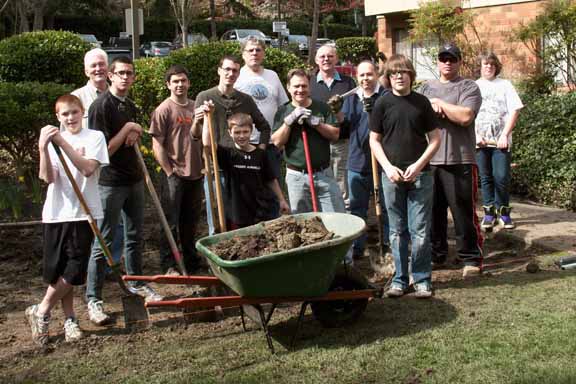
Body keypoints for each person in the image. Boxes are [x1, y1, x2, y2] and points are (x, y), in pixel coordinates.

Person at [85, 56, 163, 326]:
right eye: (120, 73)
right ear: (110, 76)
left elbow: (131, 138)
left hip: (134, 179)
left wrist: (135, 128)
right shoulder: (100, 107)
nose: (125, 77)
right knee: (103, 241)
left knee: (134, 235)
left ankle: (137, 282)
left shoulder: (129, 105)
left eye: (129, 73)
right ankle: (94, 299)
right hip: (110, 183)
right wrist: (129, 129)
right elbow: (103, 151)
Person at [26, 94, 109, 345]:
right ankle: (70, 319)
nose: (70, 118)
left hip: (84, 213)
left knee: (75, 267)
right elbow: (47, 178)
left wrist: (62, 142)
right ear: (58, 117)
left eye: (74, 112)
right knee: (59, 271)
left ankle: (40, 311)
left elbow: (87, 168)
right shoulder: (51, 143)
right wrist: (43, 148)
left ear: (82, 112)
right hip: (56, 212)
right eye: (65, 114)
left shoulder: (95, 137)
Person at [369, 55, 441, 297]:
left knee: (420, 230)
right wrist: (388, 167)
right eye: (394, 73)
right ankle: (399, 280)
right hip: (392, 177)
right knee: (397, 231)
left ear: (411, 75)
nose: (399, 76)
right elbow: (374, 140)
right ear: (388, 78)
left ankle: (421, 279)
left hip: (420, 176)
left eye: (403, 72)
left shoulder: (422, 103)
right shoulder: (382, 103)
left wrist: (419, 165)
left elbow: (436, 139)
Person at [418, 43, 484, 278]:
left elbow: (465, 116)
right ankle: (437, 254)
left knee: (463, 212)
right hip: (430, 160)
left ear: (459, 61)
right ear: (437, 61)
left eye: (452, 58)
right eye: (443, 58)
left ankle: (470, 258)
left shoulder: (468, 86)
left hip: (460, 159)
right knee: (433, 212)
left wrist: (439, 105)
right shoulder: (425, 87)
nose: (447, 62)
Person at [272, 69, 349, 263]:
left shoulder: (322, 108)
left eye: (304, 86)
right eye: (296, 86)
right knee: (303, 222)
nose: (300, 90)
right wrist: (289, 122)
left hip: (323, 174)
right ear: (289, 88)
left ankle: (343, 264)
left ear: (310, 87)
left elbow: (335, 135)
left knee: (336, 220)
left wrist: (315, 123)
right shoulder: (283, 111)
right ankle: (309, 263)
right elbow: (276, 142)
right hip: (296, 177)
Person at [194, 55, 271, 234]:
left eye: (235, 70)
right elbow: (195, 135)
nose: (230, 73)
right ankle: (219, 261)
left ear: (238, 74)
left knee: (242, 221)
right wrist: (198, 120)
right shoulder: (204, 97)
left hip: (241, 170)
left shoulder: (245, 100)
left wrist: (260, 151)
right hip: (216, 170)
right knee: (217, 223)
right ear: (219, 71)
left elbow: (264, 127)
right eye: (227, 69)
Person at [71, 48, 124, 269]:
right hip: (89, 171)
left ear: (108, 68)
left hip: (114, 170)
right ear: (86, 71)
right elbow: (66, 136)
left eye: (101, 64)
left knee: (116, 221)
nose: (98, 69)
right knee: (91, 219)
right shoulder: (77, 98)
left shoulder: (119, 96)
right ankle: (92, 264)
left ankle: (114, 263)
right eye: (93, 66)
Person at [149, 65, 204, 276]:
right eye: (175, 81)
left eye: (183, 80)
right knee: (170, 222)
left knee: (190, 221)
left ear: (189, 83)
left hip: (196, 173)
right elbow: (157, 145)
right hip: (175, 174)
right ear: (168, 85)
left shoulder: (195, 107)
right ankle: (169, 264)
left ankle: (191, 261)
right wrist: (169, 171)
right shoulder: (164, 110)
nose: (180, 84)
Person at [337, 60, 390, 260]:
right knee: (357, 208)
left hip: (382, 164)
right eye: (361, 75)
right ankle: (358, 248)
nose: (365, 79)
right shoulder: (351, 99)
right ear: (356, 77)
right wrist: (338, 114)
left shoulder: (385, 96)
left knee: (385, 208)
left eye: (369, 74)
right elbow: (344, 129)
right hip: (357, 163)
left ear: (376, 74)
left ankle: (387, 246)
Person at [203, 112, 289, 228]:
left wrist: (281, 200)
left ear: (251, 131)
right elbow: (208, 145)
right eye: (237, 132)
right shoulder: (228, 154)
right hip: (237, 214)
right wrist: (206, 117)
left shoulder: (261, 155)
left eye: (245, 132)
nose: (241, 136)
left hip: (261, 211)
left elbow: (270, 179)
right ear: (230, 133)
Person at [235, 37, 290, 218]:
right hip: (245, 145)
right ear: (243, 54)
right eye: (250, 50)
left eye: (258, 50)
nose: (254, 53)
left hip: (270, 143)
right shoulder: (237, 76)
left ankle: (274, 225)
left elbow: (283, 107)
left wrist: (281, 136)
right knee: (248, 193)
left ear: (264, 53)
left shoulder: (272, 76)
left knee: (274, 191)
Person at [475, 52, 523, 230]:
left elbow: (515, 110)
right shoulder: (473, 87)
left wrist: (505, 134)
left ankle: (503, 212)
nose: (488, 67)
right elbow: (469, 113)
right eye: (485, 64)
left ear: (496, 67)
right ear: (480, 67)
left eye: (491, 64)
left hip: (500, 142)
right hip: (480, 142)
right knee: (485, 177)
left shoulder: (505, 85)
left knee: (501, 177)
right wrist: (475, 136)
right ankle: (489, 213)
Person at [310, 44, 356, 205]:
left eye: (330, 56)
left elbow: (355, 110)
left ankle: (344, 215)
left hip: (341, 141)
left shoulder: (347, 82)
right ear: (316, 60)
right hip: (317, 141)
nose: (326, 59)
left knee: (341, 181)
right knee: (320, 180)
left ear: (336, 58)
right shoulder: (310, 84)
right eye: (322, 56)